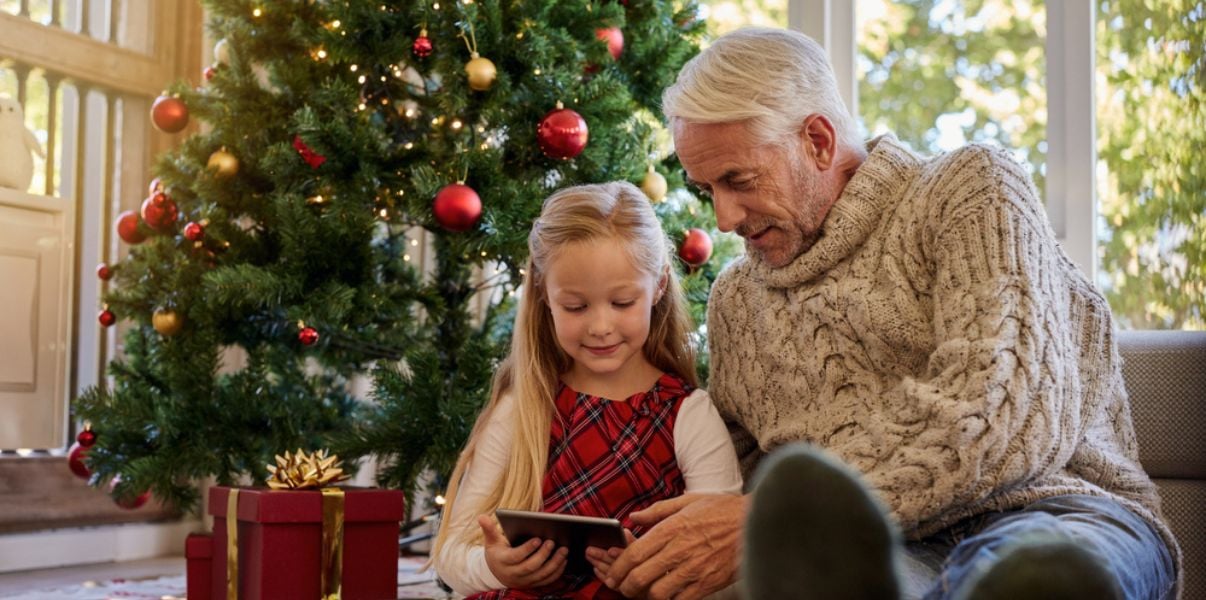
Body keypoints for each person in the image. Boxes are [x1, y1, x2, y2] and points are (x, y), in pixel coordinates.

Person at [587, 27, 1181, 600]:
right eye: (705, 189)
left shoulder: (968, 188)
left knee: (1037, 571)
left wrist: (773, 516)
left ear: (818, 141)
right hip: (880, 546)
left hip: (1053, 508)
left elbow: (1005, 407)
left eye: (738, 180)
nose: (723, 219)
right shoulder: (737, 298)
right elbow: (734, 470)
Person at [431, 181, 744, 598]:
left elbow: (717, 551)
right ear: (544, 293)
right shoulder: (523, 407)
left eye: (622, 303)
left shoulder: (688, 414)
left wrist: (645, 571)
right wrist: (492, 567)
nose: (600, 327)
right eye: (576, 307)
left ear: (660, 286)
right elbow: (451, 554)